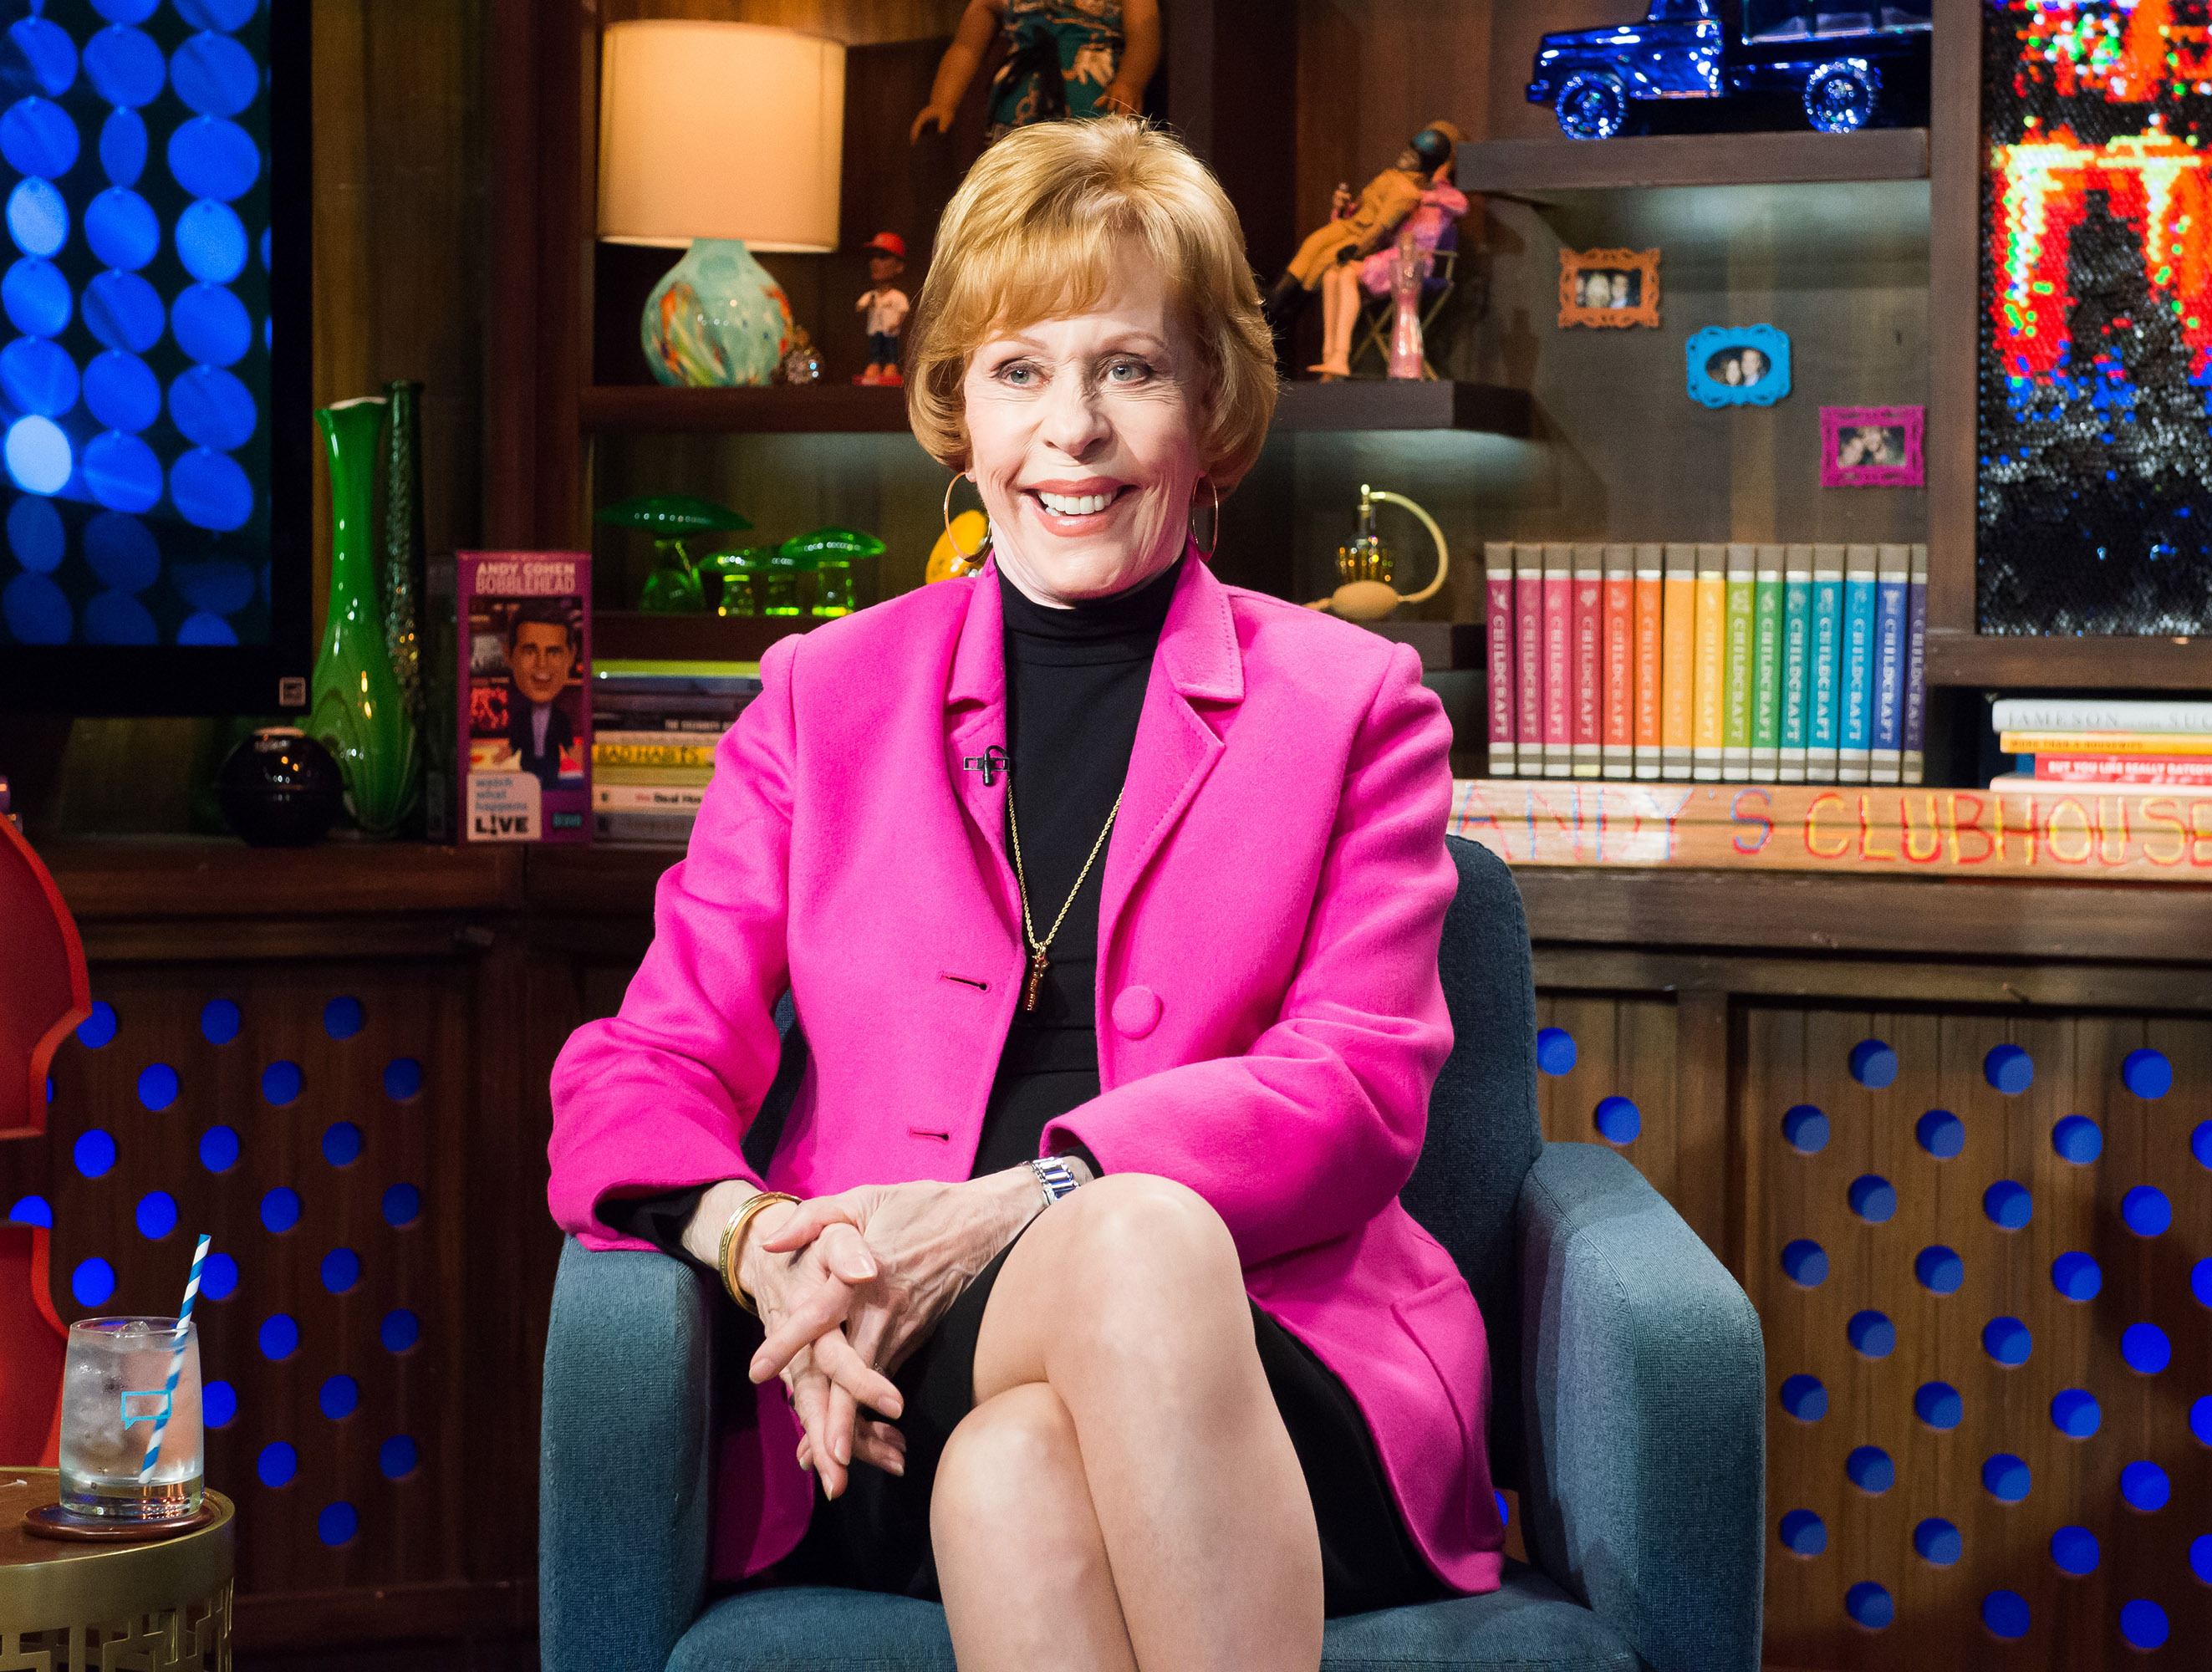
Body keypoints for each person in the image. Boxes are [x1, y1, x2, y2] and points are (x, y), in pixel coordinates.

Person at [548, 116, 1501, 1668]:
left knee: (1043, 1428)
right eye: (1018, 371)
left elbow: (1358, 1090)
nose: (1073, 430)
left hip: (1273, 1353)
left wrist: (1026, 1201)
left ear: (1212, 408)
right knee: (1019, 1420)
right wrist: (756, 1240)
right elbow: (638, 1070)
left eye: (1130, 369)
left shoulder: (1353, 705)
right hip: (889, 1352)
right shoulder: (818, 701)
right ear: (959, 410)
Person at [1266, 123, 1460, 349]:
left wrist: (1358, 248)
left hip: (1369, 239)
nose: (1406, 155)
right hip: (1352, 225)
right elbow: (1362, 206)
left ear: (1426, 164)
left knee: (1325, 262)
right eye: (1409, 149)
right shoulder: (1390, 177)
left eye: (1416, 155)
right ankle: (1277, 296)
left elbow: (1380, 229)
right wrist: (1344, 208)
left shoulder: (1408, 192)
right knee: (1313, 243)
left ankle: (1287, 310)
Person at [909, 0, 1161, 145]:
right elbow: (966, 47)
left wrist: (1130, 82)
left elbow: (1144, 34)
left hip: (1093, 112)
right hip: (1016, 117)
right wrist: (942, 102)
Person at [1308, 150, 1467, 380]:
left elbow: (1461, 204)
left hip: (1415, 263)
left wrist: (1420, 195)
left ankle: (1341, 356)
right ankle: (1331, 359)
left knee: (1347, 274)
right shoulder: (1399, 190)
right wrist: (1342, 211)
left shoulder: (1440, 196)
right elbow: (1364, 225)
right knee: (1331, 275)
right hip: (1389, 258)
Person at [498, 602, 579, 788]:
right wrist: (507, 752)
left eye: (554, 653)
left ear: (571, 656)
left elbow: (568, 743)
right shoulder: (520, 718)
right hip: (527, 771)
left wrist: (578, 754)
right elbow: (515, 743)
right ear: (509, 655)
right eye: (529, 651)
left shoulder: (561, 718)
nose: (542, 664)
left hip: (551, 769)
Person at [855, 232, 913, 388]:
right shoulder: (872, 295)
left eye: (883, 257)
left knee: (890, 349)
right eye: (873, 257)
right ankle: (874, 365)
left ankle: (891, 365)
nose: (875, 262)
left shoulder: (897, 296)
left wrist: (896, 324)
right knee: (875, 349)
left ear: (899, 266)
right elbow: (859, 306)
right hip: (875, 330)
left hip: (890, 332)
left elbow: (903, 311)